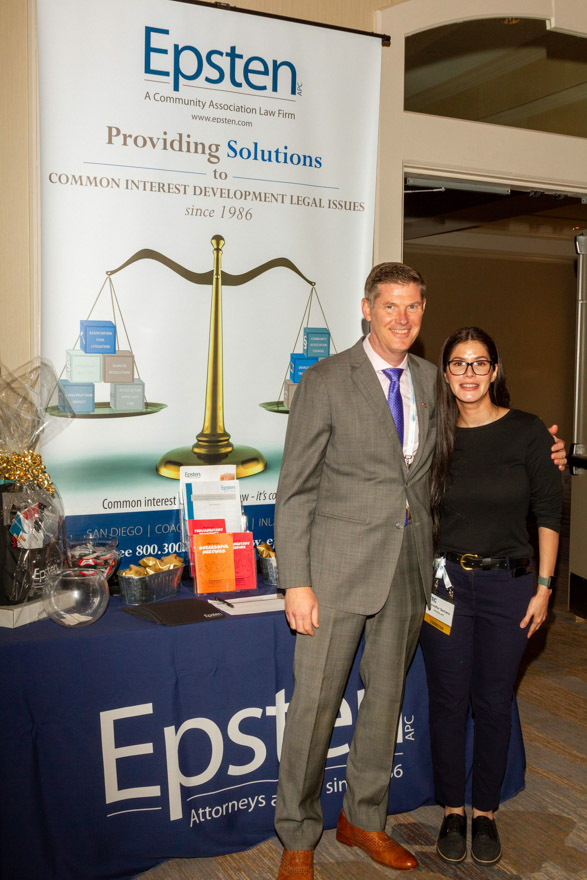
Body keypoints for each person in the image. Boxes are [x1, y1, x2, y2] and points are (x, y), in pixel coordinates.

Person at [273, 265, 565, 880]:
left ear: (423, 311)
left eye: (412, 307)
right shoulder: (324, 381)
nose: (402, 318)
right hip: (336, 573)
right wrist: (296, 580)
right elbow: (295, 489)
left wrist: (548, 452)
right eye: (390, 306)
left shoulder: (434, 381)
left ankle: (364, 819)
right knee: (315, 709)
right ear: (367, 309)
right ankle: (297, 836)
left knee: (385, 704)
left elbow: (484, 441)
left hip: (413, 574)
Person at [419, 326, 562, 868]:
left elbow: (548, 513)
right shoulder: (433, 437)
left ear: (495, 370)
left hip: (511, 586)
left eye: (480, 363)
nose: (469, 373)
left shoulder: (528, 431)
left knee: (495, 701)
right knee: (448, 700)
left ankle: (485, 813)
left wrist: (544, 587)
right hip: (446, 586)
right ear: (445, 373)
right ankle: (452, 810)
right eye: (459, 363)